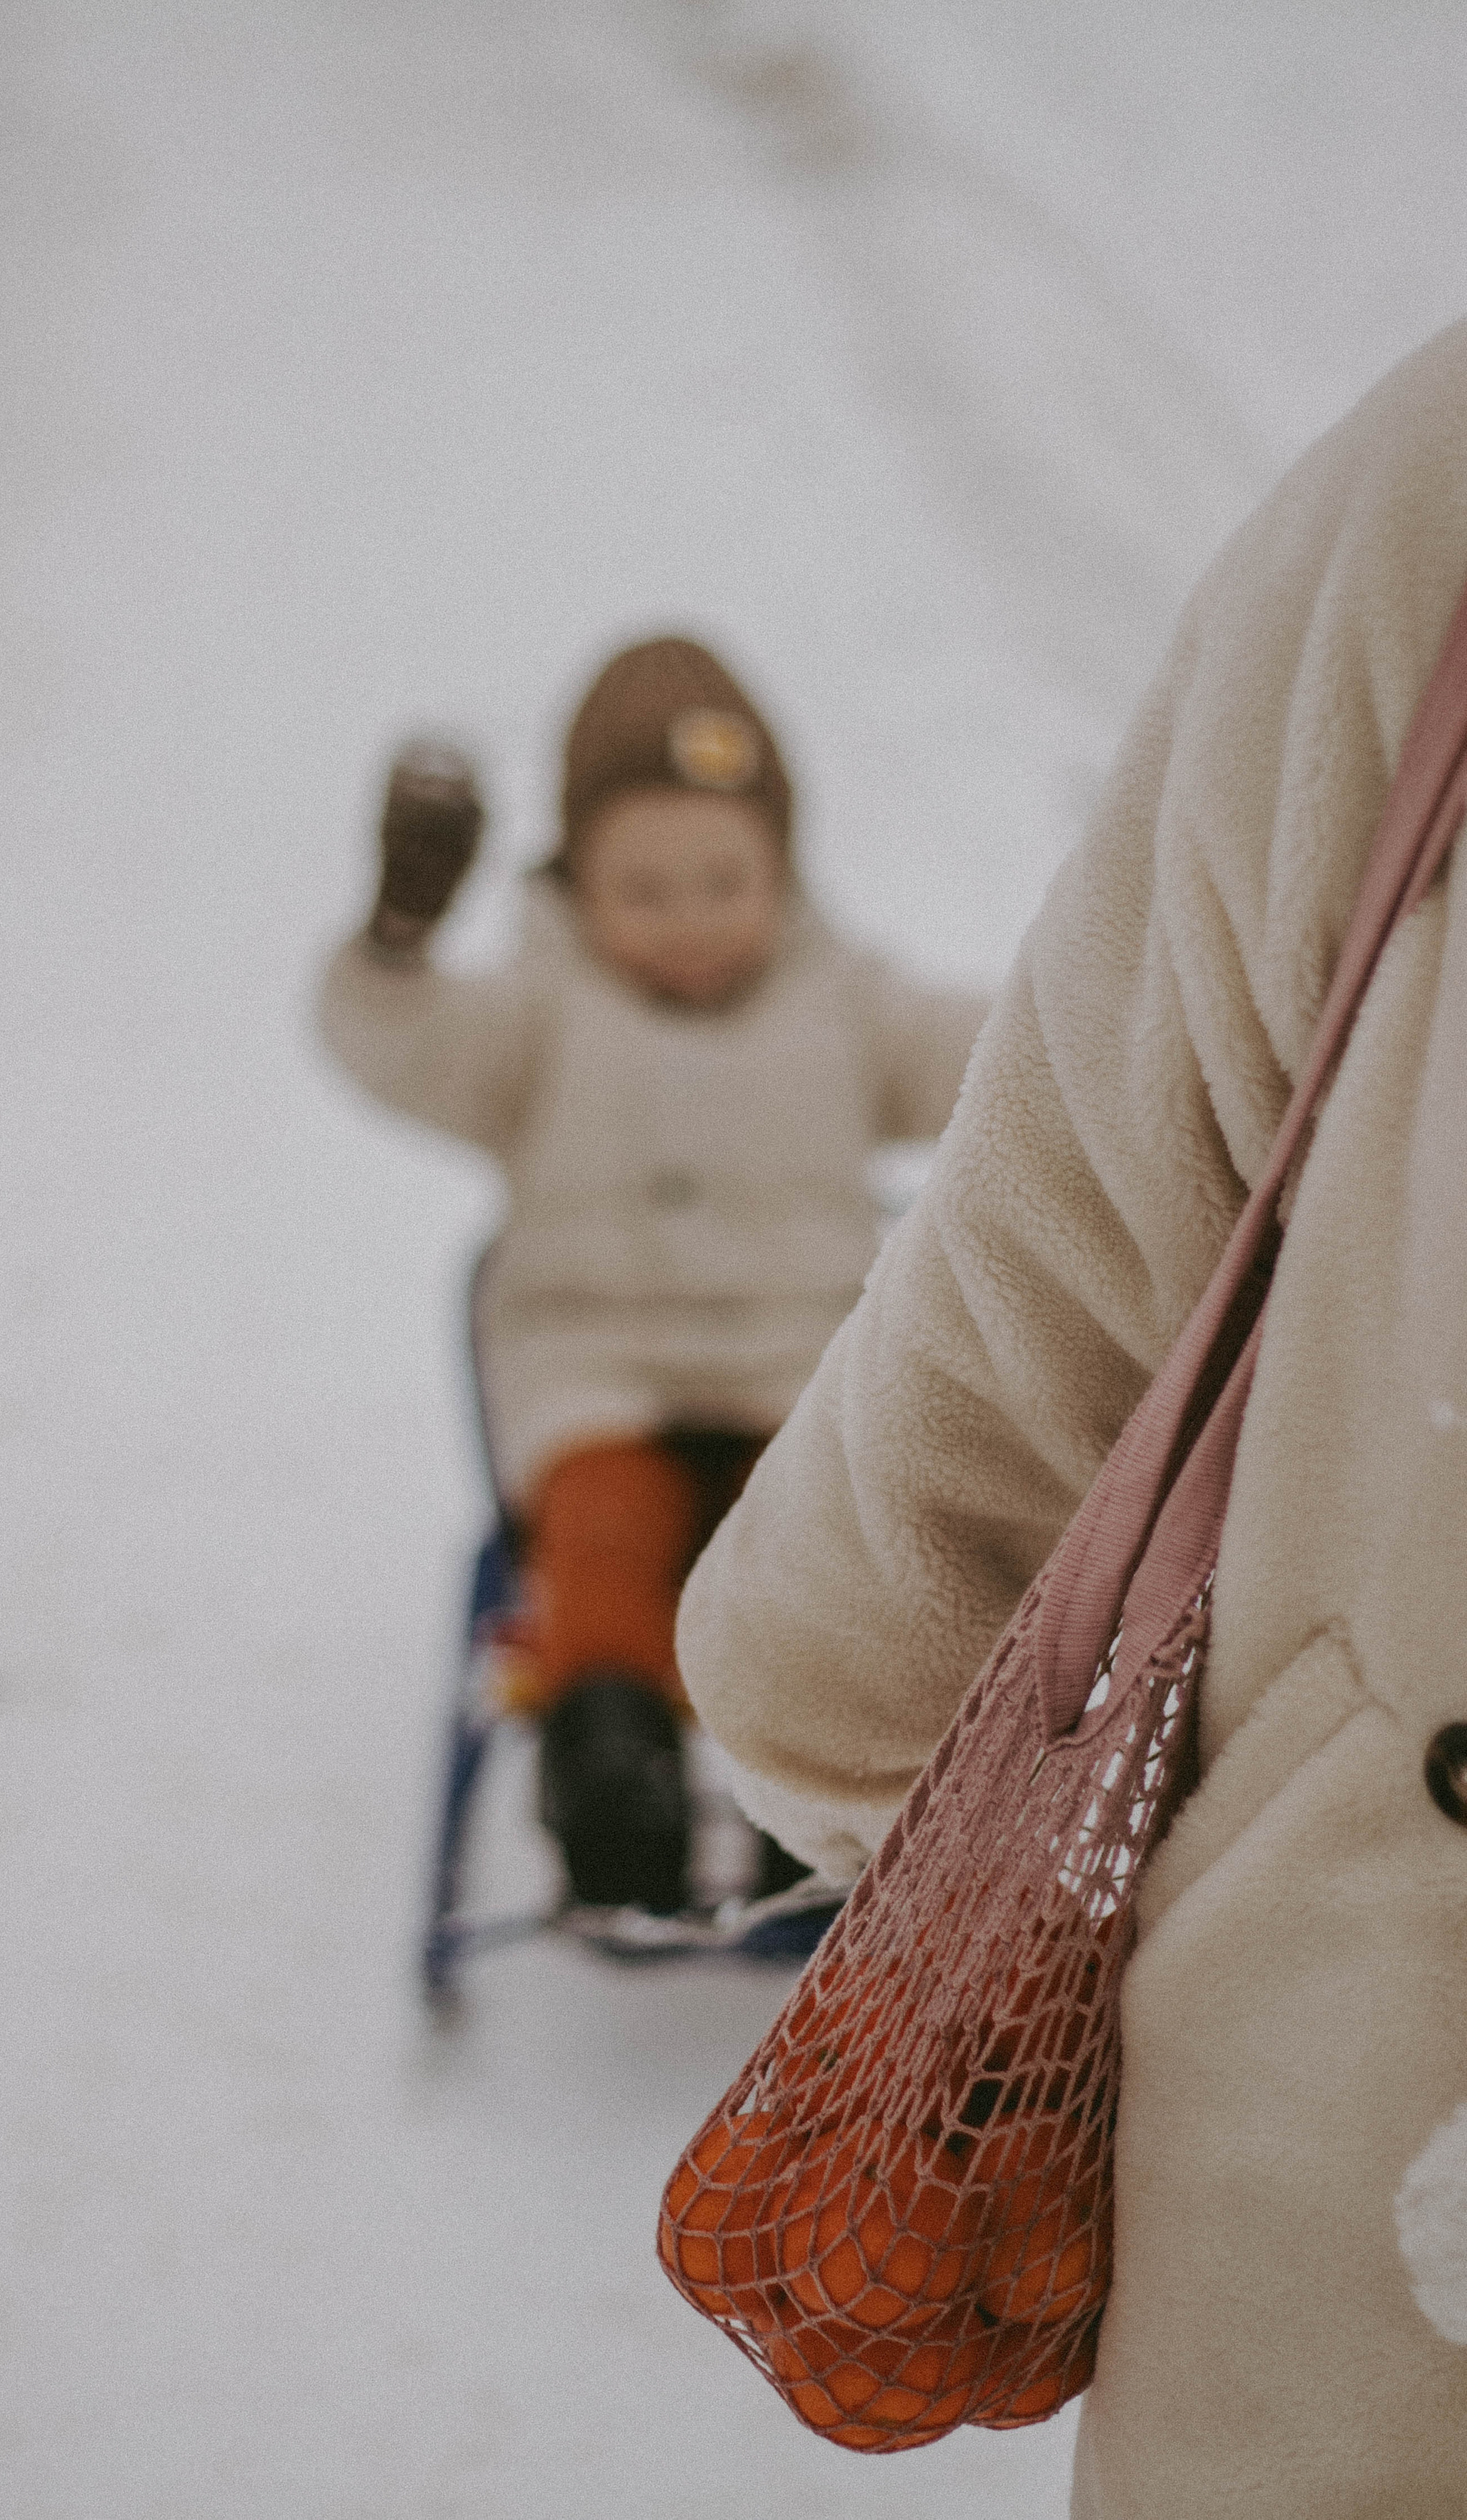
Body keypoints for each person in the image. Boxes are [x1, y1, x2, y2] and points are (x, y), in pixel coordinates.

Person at [675, 325, 1467, 2512]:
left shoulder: (1436, 508)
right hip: (603, 1358)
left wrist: (839, 1703)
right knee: (574, 1503)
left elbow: (1069, 1228)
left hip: (1386, 2137)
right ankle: (593, 1752)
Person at [318, 637, 987, 1916]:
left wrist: (1126, 993)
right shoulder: (534, 1013)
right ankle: (607, 1762)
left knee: (816, 1552)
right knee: (603, 1530)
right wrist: (394, 942)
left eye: (721, 880)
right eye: (643, 888)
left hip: (797, 1373)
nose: (687, 920)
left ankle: (818, 1789)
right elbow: (390, 1045)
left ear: (781, 869)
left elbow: (1010, 1052)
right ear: (576, 883)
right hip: (593, 1369)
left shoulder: (845, 1003)